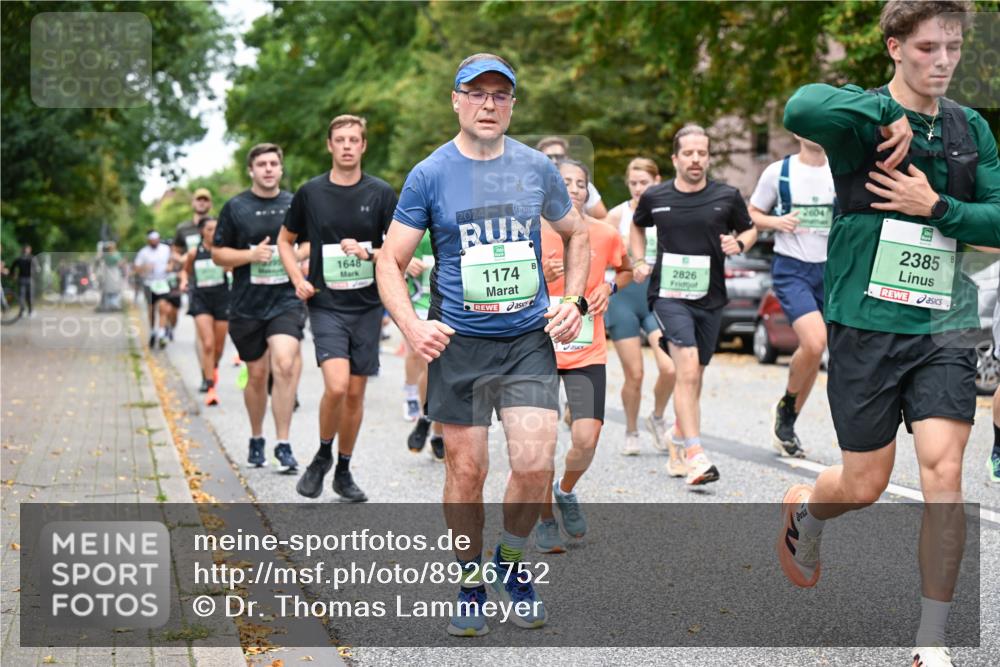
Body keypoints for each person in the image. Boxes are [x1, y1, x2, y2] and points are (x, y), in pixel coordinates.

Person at [777, 2, 1000, 665]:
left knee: (946, 473)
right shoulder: (858, 119)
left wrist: (938, 208)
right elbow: (799, 106)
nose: (943, 60)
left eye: (953, 47)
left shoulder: (970, 128)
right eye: (928, 47)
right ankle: (807, 514)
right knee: (864, 482)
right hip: (866, 323)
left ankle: (930, 640)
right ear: (895, 47)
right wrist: (884, 114)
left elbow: (996, 215)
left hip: (946, 323)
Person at [376, 53, 588, 636]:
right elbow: (390, 263)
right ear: (456, 100)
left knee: (535, 462)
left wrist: (572, 300)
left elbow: (577, 235)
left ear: (513, 104)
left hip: (526, 340)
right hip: (460, 344)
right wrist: (412, 326)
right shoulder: (430, 174)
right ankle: (470, 579)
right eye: (477, 93)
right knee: (468, 472)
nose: (489, 104)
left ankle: (512, 563)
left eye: (500, 95)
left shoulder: (535, 169)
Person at [279, 114, 398, 502]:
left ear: (363, 146)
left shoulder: (380, 193)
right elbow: (285, 241)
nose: (347, 146)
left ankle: (342, 470)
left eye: (354, 139)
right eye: (340, 140)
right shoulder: (310, 193)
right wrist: (297, 277)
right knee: (337, 385)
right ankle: (322, 454)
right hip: (326, 304)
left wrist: (368, 251)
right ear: (330, 146)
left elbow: (398, 247)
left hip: (366, 306)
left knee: (355, 394)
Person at [632, 125, 757, 486]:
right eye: (689, 153)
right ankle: (696, 454)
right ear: (675, 158)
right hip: (668, 295)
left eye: (702, 153)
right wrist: (638, 260)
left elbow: (748, 230)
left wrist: (741, 244)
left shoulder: (727, 195)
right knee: (685, 366)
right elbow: (638, 228)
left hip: (710, 298)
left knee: (695, 374)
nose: (696, 159)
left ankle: (676, 436)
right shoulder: (655, 196)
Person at [534, 158, 632, 553]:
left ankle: (566, 489)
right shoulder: (531, 231)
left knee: (587, 437)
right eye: (565, 181)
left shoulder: (604, 234)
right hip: (537, 347)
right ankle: (542, 520)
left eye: (580, 183)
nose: (573, 188)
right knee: (538, 443)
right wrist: (543, 275)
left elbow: (623, 270)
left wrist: (610, 287)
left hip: (586, 347)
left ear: (587, 192)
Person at [212, 143, 306, 473]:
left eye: (273, 164)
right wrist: (250, 256)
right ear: (251, 170)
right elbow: (218, 254)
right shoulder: (235, 207)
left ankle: (283, 443)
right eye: (261, 164)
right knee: (256, 374)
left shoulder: (295, 203)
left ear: (281, 169)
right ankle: (256, 437)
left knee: (284, 363)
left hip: (285, 300)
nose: (268, 169)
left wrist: (293, 256)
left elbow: (309, 242)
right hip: (247, 304)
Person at [748, 136, 836, 458]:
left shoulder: (839, 169)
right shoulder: (778, 172)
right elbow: (753, 213)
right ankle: (786, 410)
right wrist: (776, 221)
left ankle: (787, 418)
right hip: (792, 269)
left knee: (814, 350)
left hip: (831, 269)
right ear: (798, 132)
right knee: (814, 342)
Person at [604, 158, 680, 466]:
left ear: (657, 181)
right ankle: (631, 431)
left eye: (644, 183)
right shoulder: (616, 215)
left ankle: (657, 417)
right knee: (634, 374)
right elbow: (599, 257)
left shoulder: (666, 213)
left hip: (656, 297)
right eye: (633, 183)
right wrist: (623, 256)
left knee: (670, 368)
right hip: (624, 298)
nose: (638, 189)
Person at [403, 229, 446, 462]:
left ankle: (434, 428)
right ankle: (425, 413)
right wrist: (408, 261)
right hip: (421, 301)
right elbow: (393, 254)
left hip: (453, 305)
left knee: (447, 370)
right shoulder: (419, 225)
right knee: (429, 362)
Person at [179, 217, 231, 406]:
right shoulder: (194, 253)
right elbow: (185, 271)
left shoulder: (223, 252)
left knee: (218, 347)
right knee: (207, 344)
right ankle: (210, 387)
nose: (213, 232)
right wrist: (184, 281)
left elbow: (232, 269)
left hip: (222, 298)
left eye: (216, 229)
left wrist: (229, 267)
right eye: (209, 229)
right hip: (201, 299)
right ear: (202, 232)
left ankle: (213, 367)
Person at [536, 136, 608, 218]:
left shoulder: (580, 185)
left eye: (559, 157)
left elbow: (602, 218)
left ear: (567, 158)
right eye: (548, 157)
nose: (554, 161)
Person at [134, 231, 175, 348]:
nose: (154, 242)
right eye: (152, 240)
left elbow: (171, 261)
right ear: (148, 240)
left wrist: (170, 266)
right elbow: (136, 268)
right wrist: (145, 267)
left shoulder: (165, 249)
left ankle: (161, 334)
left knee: (163, 307)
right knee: (151, 309)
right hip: (149, 283)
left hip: (162, 282)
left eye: (156, 239)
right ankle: (152, 331)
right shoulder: (143, 252)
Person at [176, 188, 213, 255]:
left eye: (205, 200)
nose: (202, 202)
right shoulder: (183, 228)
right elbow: (175, 251)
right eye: (198, 199)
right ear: (192, 203)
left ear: (210, 204)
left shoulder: (219, 226)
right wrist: (181, 259)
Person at [11, 245, 35, 318]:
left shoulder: (26, 258)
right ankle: (25, 311)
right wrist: (14, 274)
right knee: (25, 296)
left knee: (26, 296)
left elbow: (13, 267)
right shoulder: (29, 258)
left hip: (26, 279)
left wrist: (13, 274)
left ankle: (27, 311)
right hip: (24, 279)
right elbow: (13, 267)